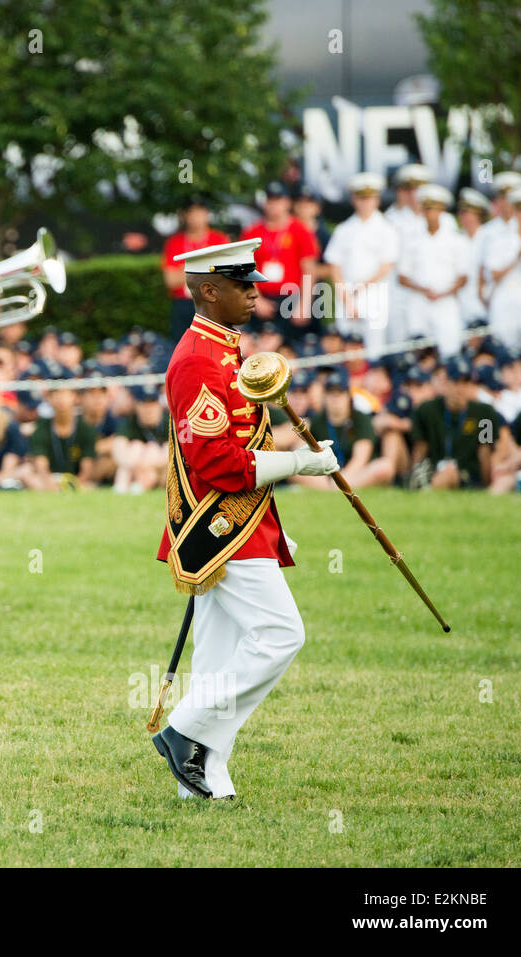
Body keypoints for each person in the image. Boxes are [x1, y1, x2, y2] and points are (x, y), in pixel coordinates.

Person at [153, 238, 339, 800]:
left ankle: (203, 783)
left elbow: (241, 442)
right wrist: (298, 463)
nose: (256, 293)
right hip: (218, 526)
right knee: (282, 634)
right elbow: (217, 465)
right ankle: (183, 730)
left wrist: (286, 466)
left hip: (240, 521)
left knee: (218, 656)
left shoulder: (224, 350)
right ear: (209, 290)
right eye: (243, 285)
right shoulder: (197, 360)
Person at [323, 172, 400, 355]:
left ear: (377, 200)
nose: (365, 203)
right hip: (347, 292)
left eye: (369, 198)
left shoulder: (386, 229)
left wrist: (361, 288)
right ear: (353, 200)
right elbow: (334, 267)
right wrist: (347, 299)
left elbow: (386, 266)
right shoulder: (344, 229)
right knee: (346, 348)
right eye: (360, 198)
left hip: (375, 292)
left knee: (374, 350)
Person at [398, 184, 469, 358]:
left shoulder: (454, 239)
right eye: (427, 209)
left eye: (435, 209)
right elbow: (402, 276)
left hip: (445, 301)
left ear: (442, 211)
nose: (430, 214)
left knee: (449, 348)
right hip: (419, 301)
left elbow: (463, 276)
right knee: (419, 350)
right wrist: (424, 290)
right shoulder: (412, 239)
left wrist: (444, 292)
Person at [240, 181, 319, 339]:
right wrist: (256, 299)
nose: (274, 205)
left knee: (292, 350)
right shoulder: (252, 232)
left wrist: (304, 304)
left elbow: (309, 270)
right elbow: (246, 270)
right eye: (270, 200)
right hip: (262, 297)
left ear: (287, 202)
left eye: (278, 200)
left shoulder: (300, 230)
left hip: (291, 298)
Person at [292, 369, 394, 489]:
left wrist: (340, 482)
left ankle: (339, 489)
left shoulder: (360, 418)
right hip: (325, 477)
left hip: (357, 474)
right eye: (331, 393)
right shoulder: (316, 420)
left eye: (340, 393)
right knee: (293, 469)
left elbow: (360, 458)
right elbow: (302, 455)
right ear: (325, 396)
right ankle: (334, 489)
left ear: (348, 396)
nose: (336, 398)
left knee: (385, 467)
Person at [410, 355, 497, 489]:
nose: (461, 388)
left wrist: (487, 485)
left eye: (466, 383)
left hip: (468, 474)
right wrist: (414, 476)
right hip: (434, 469)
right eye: (456, 382)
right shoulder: (426, 410)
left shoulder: (485, 413)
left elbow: (485, 453)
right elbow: (420, 447)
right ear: (446, 384)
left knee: (450, 472)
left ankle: (427, 495)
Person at [161, 196, 230, 340]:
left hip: (210, 304)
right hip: (183, 304)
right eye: (191, 212)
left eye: (200, 212)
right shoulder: (174, 242)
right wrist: (206, 267)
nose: (195, 217)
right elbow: (171, 280)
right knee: (181, 349)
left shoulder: (220, 240)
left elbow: (224, 277)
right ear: (185, 216)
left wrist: (183, 270)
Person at [485, 184, 521, 355]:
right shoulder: (501, 236)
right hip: (506, 295)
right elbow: (493, 273)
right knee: (505, 345)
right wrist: (515, 259)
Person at [26, 365, 97, 490]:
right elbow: (41, 466)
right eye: (55, 393)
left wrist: (72, 486)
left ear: (73, 395)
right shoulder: (41, 427)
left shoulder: (85, 428)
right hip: (50, 481)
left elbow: (88, 469)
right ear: (48, 398)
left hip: (78, 482)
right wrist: (52, 486)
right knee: (27, 474)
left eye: (64, 392)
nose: (60, 397)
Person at [110, 384, 168, 493]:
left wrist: (147, 462)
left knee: (153, 449)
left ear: (159, 406)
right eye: (144, 404)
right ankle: (124, 487)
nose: (148, 409)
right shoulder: (130, 421)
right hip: (134, 467)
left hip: (160, 470)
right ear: (136, 406)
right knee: (136, 446)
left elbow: (170, 453)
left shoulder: (168, 422)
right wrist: (137, 463)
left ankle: (135, 486)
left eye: (152, 404)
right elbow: (118, 451)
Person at [456, 187, 490, 327]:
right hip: (459, 302)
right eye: (461, 213)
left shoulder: (489, 238)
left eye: (467, 213)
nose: (463, 217)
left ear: (478, 215)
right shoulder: (455, 238)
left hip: (484, 300)